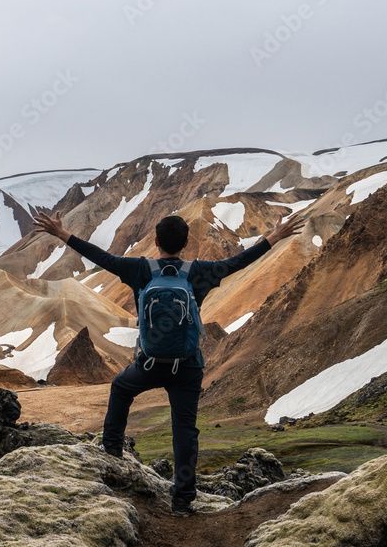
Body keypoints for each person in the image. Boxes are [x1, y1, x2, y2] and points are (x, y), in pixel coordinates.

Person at [33, 209, 307, 516]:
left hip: (149, 364)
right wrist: (273, 237)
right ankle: (181, 501)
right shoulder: (200, 271)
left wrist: (61, 233)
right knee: (184, 431)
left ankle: (111, 452)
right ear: (187, 242)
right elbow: (238, 262)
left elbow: (101, 257)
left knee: (121, 388)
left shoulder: (138, 269)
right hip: (188, 366)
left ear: (154, 241)